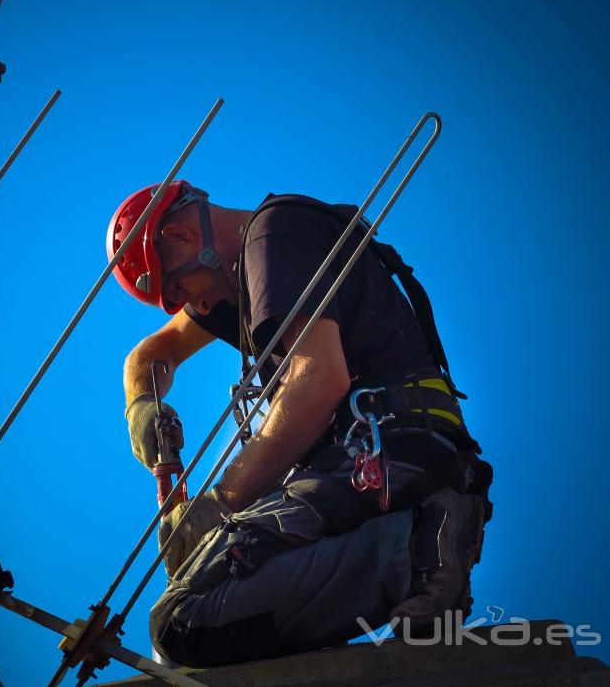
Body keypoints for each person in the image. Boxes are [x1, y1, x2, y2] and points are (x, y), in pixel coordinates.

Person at [110, 180, 493, 667]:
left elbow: (318, 381)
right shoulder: (239, 279)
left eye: (179, 287)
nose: (197, 307)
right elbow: (153, 351)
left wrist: (222, 502)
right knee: (204, 615)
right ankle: (407, 550)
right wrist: (142, 404)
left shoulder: (272, 237)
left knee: (183, 619)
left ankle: (416, 553)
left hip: (386, 447)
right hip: (382, 454)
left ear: (183, 236)